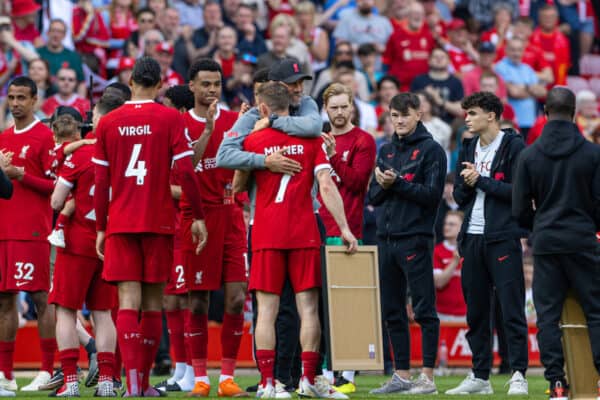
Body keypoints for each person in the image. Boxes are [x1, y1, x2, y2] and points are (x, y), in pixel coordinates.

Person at [93, 57, 208, 397]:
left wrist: (101, 226)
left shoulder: (108, 122)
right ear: (159, 84)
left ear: (130, 81)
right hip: (158, 222)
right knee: (154, 303)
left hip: (121, 222)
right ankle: (143, 385)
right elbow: (187, 173)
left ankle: (131, 386)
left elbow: (101, 184)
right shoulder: (171, 118)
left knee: (128, 301)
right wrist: (198, 215)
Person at [241, 81, 358, 399]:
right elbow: (326, 184)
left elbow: (237, 183)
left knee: (267, 310)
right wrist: (345, 228)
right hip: (304, 230)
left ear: (263, 108)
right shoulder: (310, 140)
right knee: (309, 309)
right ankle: (308, 380)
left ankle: (268, 383)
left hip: (266, 231)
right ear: (288, 108)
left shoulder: (253, 139)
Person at [512, 86, 600, 399]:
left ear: (545, 113)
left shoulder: (529, 154)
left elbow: (519, 208)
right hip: (582, 240)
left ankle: (557, 383)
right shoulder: (592, 152)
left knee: (548, 316)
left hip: (547, 243)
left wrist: (536, 227)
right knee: (596, 311)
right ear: (575, 112)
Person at [175, 59, 249, 397]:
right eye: (205, 84)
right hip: (196, 218)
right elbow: (185, 169)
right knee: (198, 302)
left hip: (230, 214)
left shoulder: (235, 120)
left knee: (235, 299)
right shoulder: (179, 124)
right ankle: (201, 378)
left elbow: (247, 161)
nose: (212, 90)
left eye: (216, 84)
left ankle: (228, 379)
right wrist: (206, 131)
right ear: (191, 86)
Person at [447, 91, 528, 395]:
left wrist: (479, 180)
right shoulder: (467, 145)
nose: (466, 118)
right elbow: (458, 195)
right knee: (477, 311)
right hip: (473, 237)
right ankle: (480, 375)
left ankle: (518, 372)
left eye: (472, 113)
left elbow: (519, 192)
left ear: (491, 116)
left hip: (503, 237)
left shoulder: (514, 146)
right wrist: (469, 184)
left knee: (511, 308)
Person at [368, 92, 446, 395]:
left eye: (405, 115)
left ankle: (427, 376)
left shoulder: (432, 150)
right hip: (386, 239)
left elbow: (432, 196)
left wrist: (396, 183)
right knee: (392, 309)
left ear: (419, 114)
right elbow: (373, 196)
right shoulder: (385, 150)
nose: (399, 121)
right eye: (394, 115)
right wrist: (388, 185)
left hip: (415, 238)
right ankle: (401, 374)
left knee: (424, 308)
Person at [48, 101, 123, 397]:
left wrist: (69, 205)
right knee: (103, 313)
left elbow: (56, 200)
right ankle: (107, 379)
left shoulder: (81, 153)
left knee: (66, 311)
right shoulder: (123, 154)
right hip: (109, 243)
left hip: (77, 242)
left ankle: (69, 381)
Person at [0, 77, 57, 395]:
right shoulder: (3, 137)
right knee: (4, 301)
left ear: (35, 100)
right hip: (3, 230)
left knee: (40, 298)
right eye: (12, 97)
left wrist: (22, 175)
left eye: (22, 97)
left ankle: (48, 369)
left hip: (33, 230)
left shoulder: (44, 137)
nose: (16, 103)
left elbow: (58, 186)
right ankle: (5, 374)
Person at [319, 83, 376, 394]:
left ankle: (349, 372)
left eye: (344, 106)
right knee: (323, 306)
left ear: (352, 107)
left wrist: (332, 157)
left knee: (348, 304)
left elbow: (356, 183)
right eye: (334, 107)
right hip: (318, 227)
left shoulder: (363, 140)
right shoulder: (318, 137)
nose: (339, 112)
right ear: (325, 109)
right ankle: (328, 370)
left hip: (347, 229)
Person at [433, 210, 466, 322]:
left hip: (466, 314)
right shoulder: (437, 251)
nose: (446, 227)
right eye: (445, 224)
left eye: (451, 224)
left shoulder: (470, 251)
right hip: (442, 314)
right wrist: (454, 262)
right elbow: (439, 283)